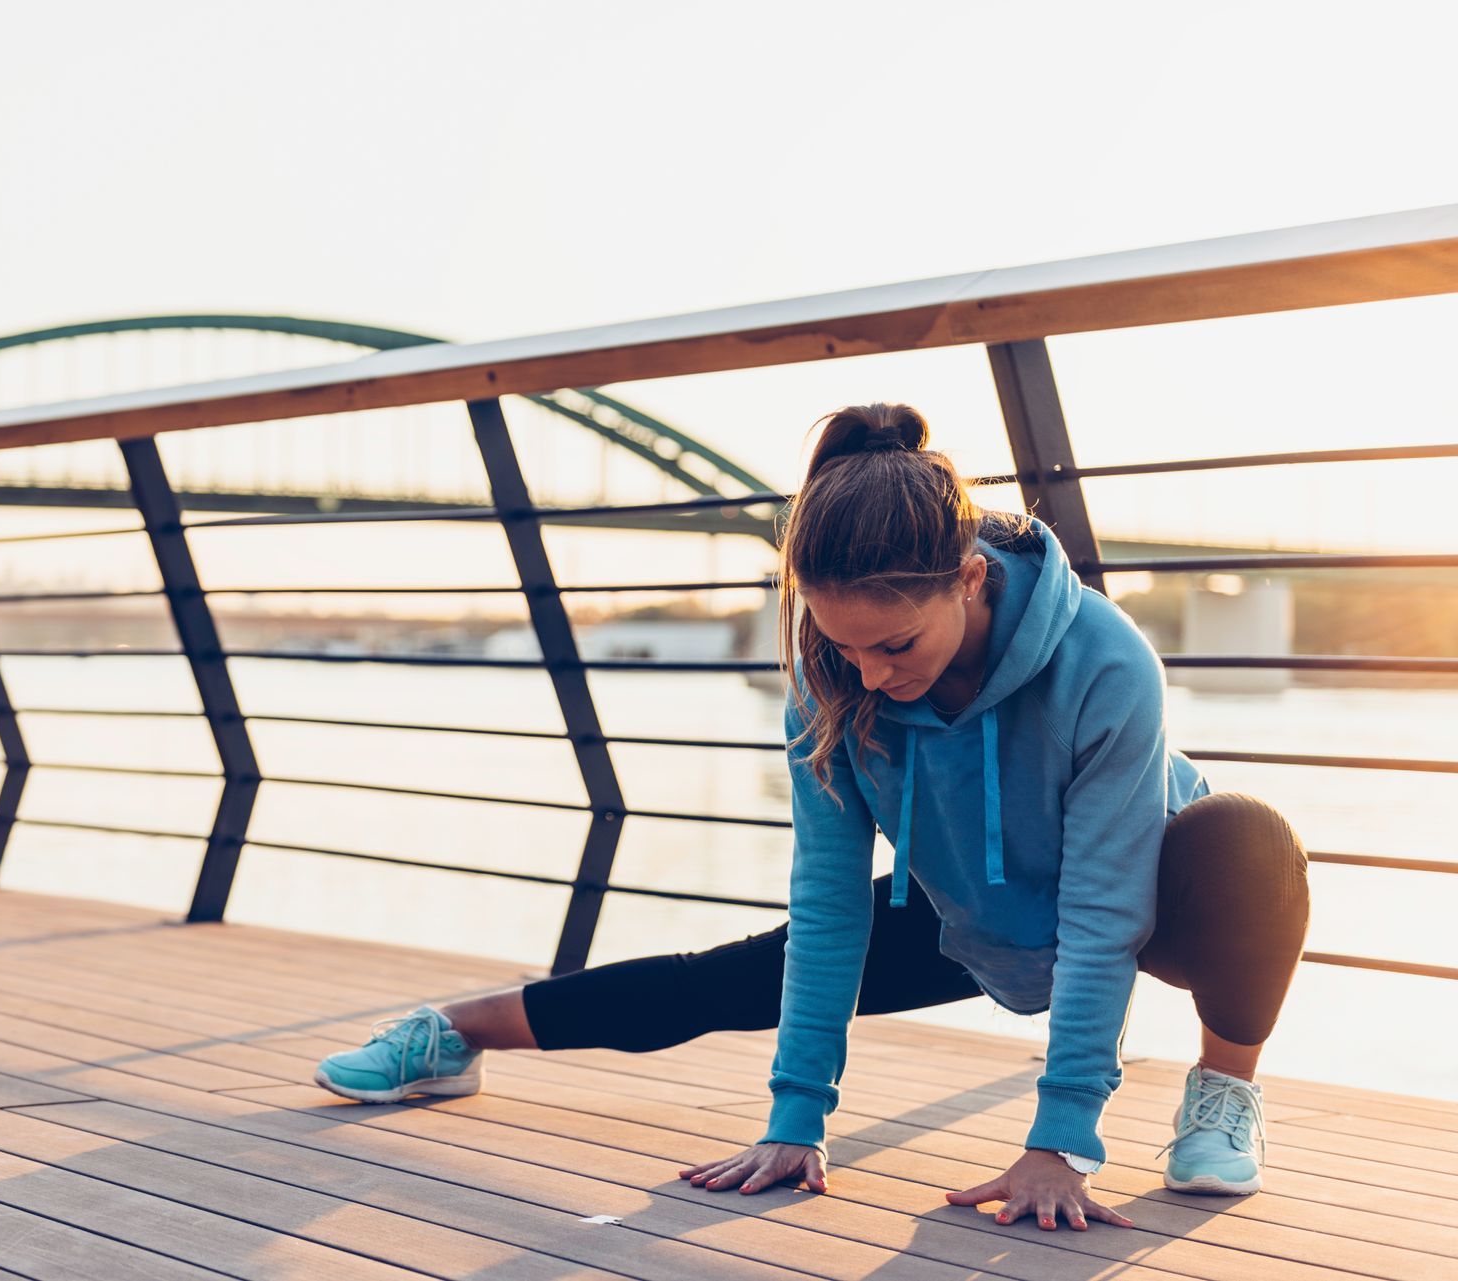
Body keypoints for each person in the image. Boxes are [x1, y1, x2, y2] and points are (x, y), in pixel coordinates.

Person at [312, 402, 1310, 1232]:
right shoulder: (835, 675)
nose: (875, 676)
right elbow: (829, 902)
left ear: (968, 579)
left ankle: (1226, 1090)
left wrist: (1058, 1144)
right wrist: (797, 1119)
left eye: (895, 645)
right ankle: (451, 1034)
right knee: (720, 983)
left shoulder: (1105, 660)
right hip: (969, 913)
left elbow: (1102, 914)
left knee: (1249, 840)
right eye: (848, 648)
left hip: (1151, 897)